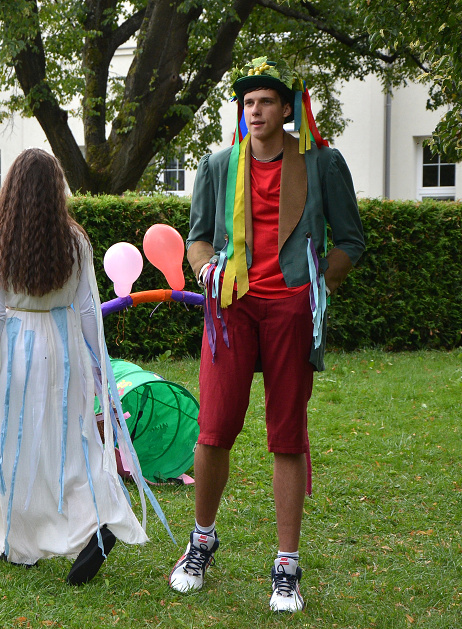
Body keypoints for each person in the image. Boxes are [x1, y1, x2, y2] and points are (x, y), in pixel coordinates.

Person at [168, 56, 365, 612]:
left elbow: (351, 241)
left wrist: (315, 288)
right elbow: (198, 239)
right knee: (214, 429)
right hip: (231, 309)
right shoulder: (217, 165)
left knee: (286, 433)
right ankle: (201, 541)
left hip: (290, 312)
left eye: (266, 102)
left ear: (286, 109)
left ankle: (286, 567)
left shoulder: (322, 163)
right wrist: (206, 267)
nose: (256, 111)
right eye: (248, 102)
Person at [0, 148, 149, 585]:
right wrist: (98, 368)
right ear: (56, 190)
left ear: (10, 191)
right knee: (74, 445)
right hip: (66, 352)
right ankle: (98, 519)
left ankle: (19, 543)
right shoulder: (76, 241)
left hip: (16, 352)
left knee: (17, 448)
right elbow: (88, 310)